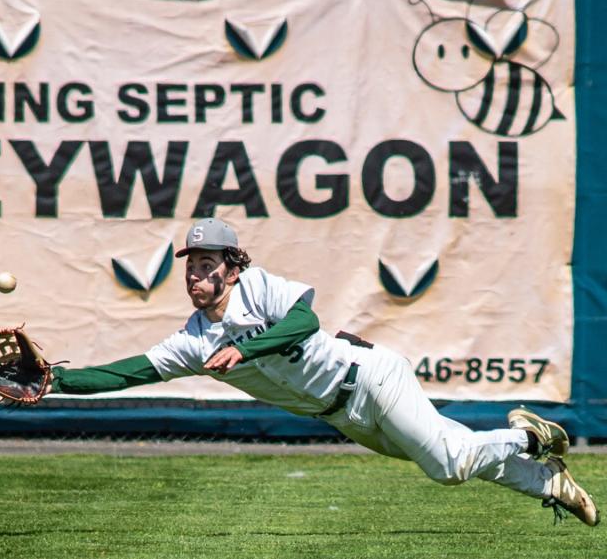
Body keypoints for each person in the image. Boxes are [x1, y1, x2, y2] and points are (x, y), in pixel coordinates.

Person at [49, 217, 600, 527]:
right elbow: (126, 374)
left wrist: (245, 351)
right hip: (346, 416)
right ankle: (548, 480)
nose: (197, 274)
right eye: (191, 266)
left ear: (231, 268)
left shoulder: (257, 286)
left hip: (372, 378)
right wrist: (54, 381)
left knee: (448, 464)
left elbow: (305, 321)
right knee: (453, 450)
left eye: (208, 264)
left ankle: (530, 436)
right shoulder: (193, 342)